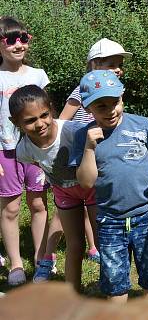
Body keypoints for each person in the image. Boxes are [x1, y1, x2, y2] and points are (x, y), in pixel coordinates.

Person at [70, 70, 148, 303]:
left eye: (114, 102)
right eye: (101, 106)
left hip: (147, 216)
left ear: (122, 97)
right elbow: (86, 182)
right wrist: (89, 148)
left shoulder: (143, 125)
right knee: (115, 284)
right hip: (110, 222)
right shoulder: (82, 136)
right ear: (88, 109)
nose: (110, 111)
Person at [10, 85, 97, 291]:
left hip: (93, 188)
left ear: (51, 109)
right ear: (16, 122)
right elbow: (41, 164)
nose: (40, 124)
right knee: (74, 245)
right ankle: (72, 294)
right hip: (64, 193)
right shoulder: (23, 150)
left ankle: (111, 287)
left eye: (44, 115)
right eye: (30, 120)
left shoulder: (73, 130)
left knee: (103, 240)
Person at [57, 38, 129, 264]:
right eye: (112, 64)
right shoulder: (82, 90)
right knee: (79, 198)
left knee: (95, 200)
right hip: (80, 150)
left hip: (102, 151)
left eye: (120, 64)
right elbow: (62, 121)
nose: (118, 69)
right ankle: (83, 247)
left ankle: (96, 245)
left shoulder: (115, 91)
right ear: (95, 64)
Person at [0, 16, 54, 286]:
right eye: (10, 39)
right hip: (5, 151)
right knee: (10, 208)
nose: (18, 44)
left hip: (36, 150)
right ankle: (16, 265)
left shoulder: (37, 75)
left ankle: (42, 260)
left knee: (38, 204)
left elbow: (47, 114)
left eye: (23, 38)